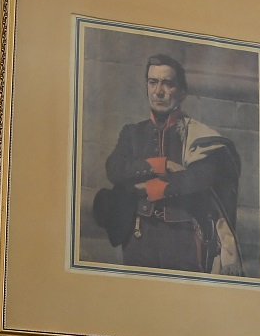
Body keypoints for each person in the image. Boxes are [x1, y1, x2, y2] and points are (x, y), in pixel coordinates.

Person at [92, 55, 243, 275]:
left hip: (184, 237)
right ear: (147, 87)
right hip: (138, 236)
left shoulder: (200, 136)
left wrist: (145, 188)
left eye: (168, 83)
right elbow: (114, 169)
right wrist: (162, 164)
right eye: (153, 82)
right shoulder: (132, 133)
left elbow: (198, 179)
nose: (159, 91)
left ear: (182, 92)